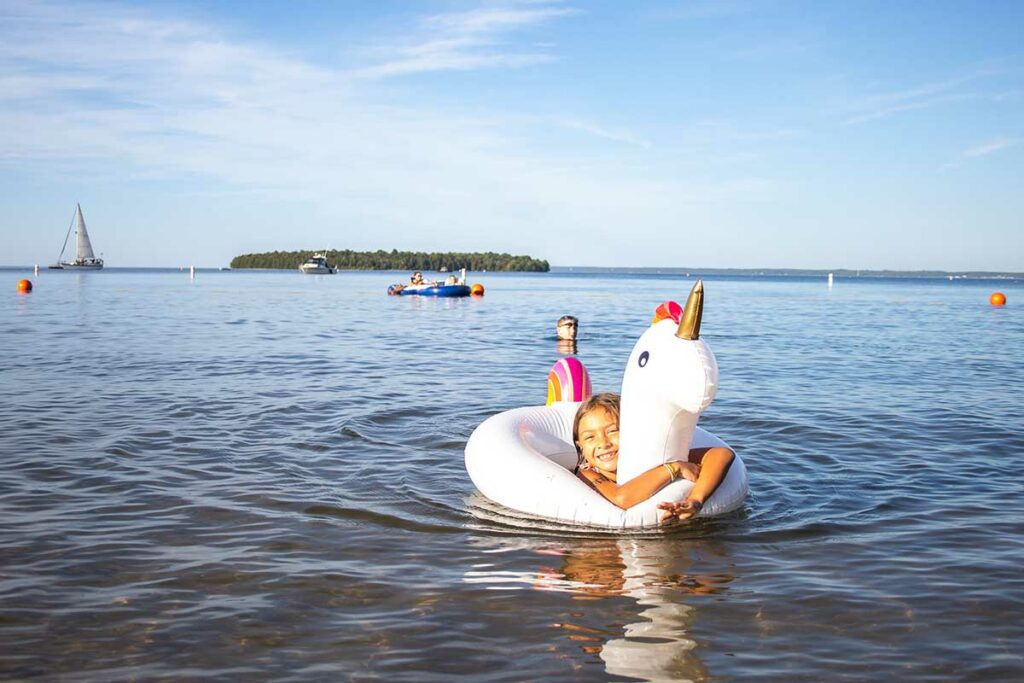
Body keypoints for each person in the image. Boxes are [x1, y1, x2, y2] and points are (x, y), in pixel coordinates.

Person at [573, 393, 734, 523]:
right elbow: (621, 498)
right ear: (580, 445)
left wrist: (696, 499)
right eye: (590, 437)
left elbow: (722, 454)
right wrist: (674, 468)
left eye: (613, 431)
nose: (603, 443)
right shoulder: (588, 475)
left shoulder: (652, 457)